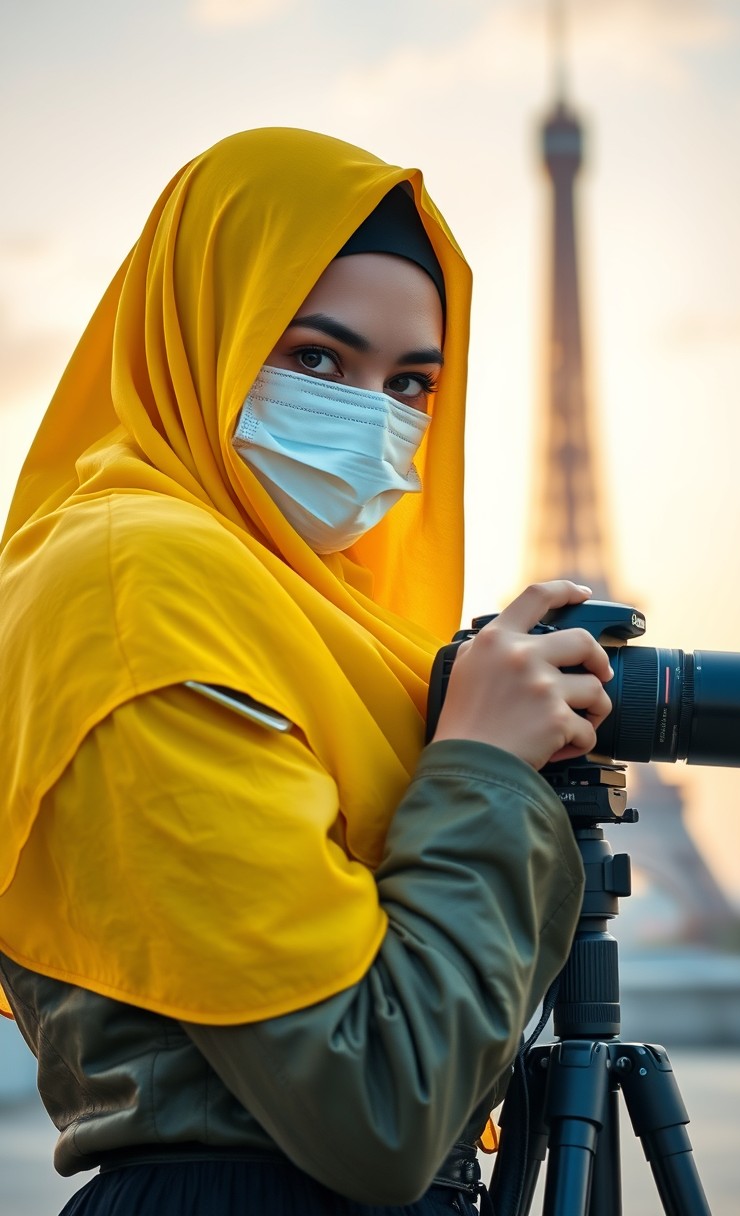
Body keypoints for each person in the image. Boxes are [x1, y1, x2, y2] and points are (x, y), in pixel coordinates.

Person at [0, 128, 613, 1215]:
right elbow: (378, 1106)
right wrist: (477, 766)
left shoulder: (289, 614)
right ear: (200, 336)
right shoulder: (141, 585)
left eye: (412, 381)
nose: (373, 416)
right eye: (317, 359)